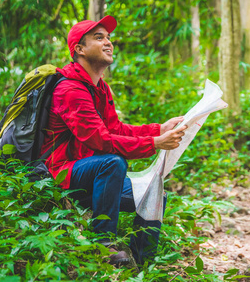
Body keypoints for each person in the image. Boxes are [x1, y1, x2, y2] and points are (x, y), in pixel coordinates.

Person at [40, 15, 187, 266]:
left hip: (90, 173)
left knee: (153, 193)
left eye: (108, 38)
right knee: (112, 162)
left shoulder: (100, 88)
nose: (108, 42)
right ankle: (103, 244)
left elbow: (115, 128)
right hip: (60, 174)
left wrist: (158, 129)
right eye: (99, 38)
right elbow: (101, 140)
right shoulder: (70, 89)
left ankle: (142, 265)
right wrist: (154, 144)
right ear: (79, 49)